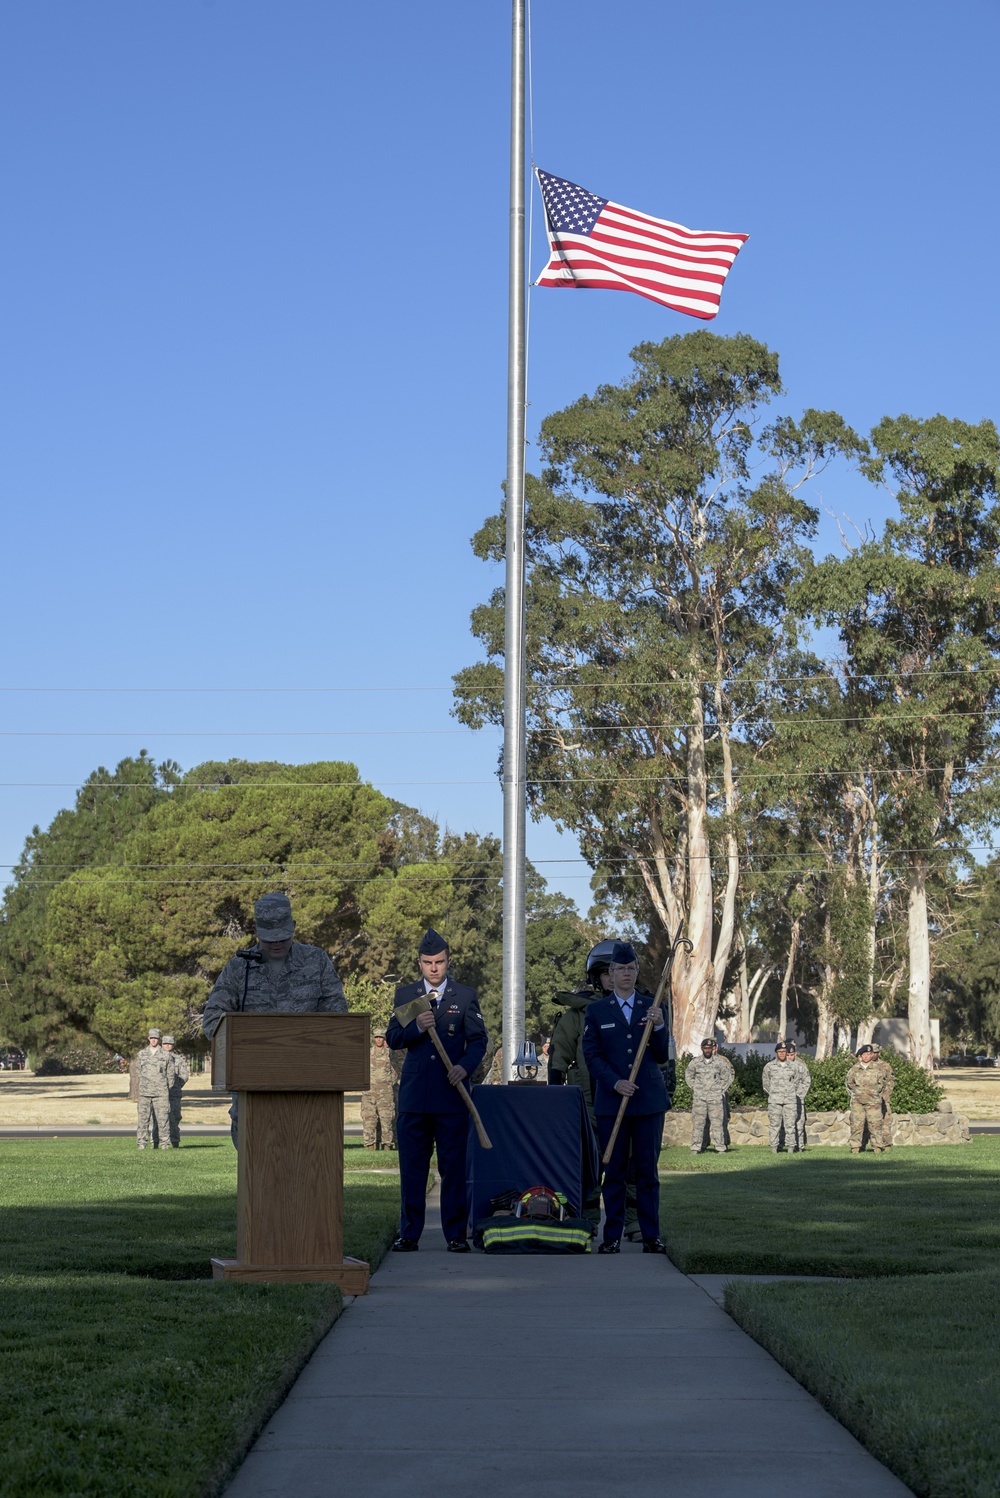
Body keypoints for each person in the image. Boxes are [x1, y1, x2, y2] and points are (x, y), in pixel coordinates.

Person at [200, 892, 347, 1146]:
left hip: (308, 1096)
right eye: (269, 939)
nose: (277, 944)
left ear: (294, 927)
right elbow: (212, 1021)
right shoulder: (240, 968)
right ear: (256, 930)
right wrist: (251, 1045)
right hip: (253, 1096)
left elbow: (338, 1019)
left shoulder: (316, 962)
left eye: (283, 937)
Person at [386, 928, 487, 1252]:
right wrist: (416, 1027)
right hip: (415, 1096)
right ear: (419, 962)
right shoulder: (407, 997)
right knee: (412, 1170)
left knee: (453, 1169)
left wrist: (465, 1067)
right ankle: (410, 1233)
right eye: (428, 962)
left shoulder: (464, 996)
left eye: (439, 962)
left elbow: (479, 1040)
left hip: (451, 1095)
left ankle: (456, 1235)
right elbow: (393, 1038)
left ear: (448, 962)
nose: (434, 968)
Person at [582, 941, 670, 1255]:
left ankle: (651, 1236)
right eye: (620, 969)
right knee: (615, 1172)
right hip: (613, 1101)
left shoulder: (654, 1006)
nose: (626, 975)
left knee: (647, 1172)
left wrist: (659, 1026)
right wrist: (615, 1082)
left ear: (636, 971)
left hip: (648, 1102)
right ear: (611, 973)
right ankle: (612, 1237)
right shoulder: (596, 1011)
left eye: (631, 969)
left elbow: (661, 1056)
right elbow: (591, 1057)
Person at [685, 1038, 734, 1155]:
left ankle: (720, 1147)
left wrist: (719, 1090)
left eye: (710, 1048)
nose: (707, 1050)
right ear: (702, 1049)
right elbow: (689, 1076)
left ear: (713, 1049)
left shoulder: (720, 1062)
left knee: (717, 1123)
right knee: (698, 1123)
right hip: (699, 1099)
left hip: (715, 1098)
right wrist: (696, 1088)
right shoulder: (695, 1062)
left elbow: (726, 1078)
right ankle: (696, 1147)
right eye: (705, 1048)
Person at [846, 1043, 892, 1154]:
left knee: (875, 1125)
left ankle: (877, 1147)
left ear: (871, 1055)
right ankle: (855, 1147)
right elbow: (849, 1083)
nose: (866, 1056)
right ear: (860, 1056)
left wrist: (874, 1093)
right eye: (864, 1054)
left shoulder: (878, 1068)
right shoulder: (854, 1069)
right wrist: (858, 1092)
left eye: (868, 1054)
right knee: (857, 1125)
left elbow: (883, 1083)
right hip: (858, 1102)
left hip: (874, 1102)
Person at [136, 1028, 174, 1151]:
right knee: (143, 1120)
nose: (153, 1040)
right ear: (148, 1039)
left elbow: (171, 1075)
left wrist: (164, 1087)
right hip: (144, 1093)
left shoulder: (165, 1055)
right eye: (151, 1038)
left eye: (156, 1038)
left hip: (161, 1093)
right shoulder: (141, 1054)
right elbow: (138, 1072)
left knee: (163, 1120)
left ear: (159, 1039)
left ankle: (164, 1144)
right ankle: (141, 1143)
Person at [361, 1029, 399, 1150]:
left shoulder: (389, 1054)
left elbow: (395, 1071)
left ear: (384, 1039)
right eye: (377, 1037)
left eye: (381, 1037)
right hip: (369, 1092)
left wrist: (387, 1084)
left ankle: (387, 1144)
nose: (378, 1039)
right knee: (369, 1118)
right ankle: (370, 1145)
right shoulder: (367, 1053)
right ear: (373, 1038)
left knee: (386, 1118)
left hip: (385, 1092)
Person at [762, 1041, 800, 1153]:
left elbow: (797, 1081)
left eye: (784, 1051)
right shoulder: (769, 1067)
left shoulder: (794, 1066)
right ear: (776, 1053)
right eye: (780, 1052)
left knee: (790, 1125)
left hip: (790, 1100)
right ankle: (774, 1147)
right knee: (774, 1125)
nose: (782, 1054)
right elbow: (766, 1083)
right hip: (774, 1101)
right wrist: (774, 1093)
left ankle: (790, 1148)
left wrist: (790, 1092)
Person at [160, 1036, 189, 1148]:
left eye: (169, 1044)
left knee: (175, 1117)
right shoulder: (157, 1058)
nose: (167, 1046)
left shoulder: (178, 1059)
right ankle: (157, 1142)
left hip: (174, 1094)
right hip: (159, 1094)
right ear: (161, 1044)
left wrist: (176, 1085)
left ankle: (175, 1142)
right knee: (159, 1119)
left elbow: (184, 1075)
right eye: (165, 1044)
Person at [783, 1041, 812, 1150]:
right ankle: (785, 1144)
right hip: (784, 1098)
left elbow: (806, 1081)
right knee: (785, 1123)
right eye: (788, 1055)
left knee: (799, 1122)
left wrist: (801, 1094)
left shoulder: (801, 1066)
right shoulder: (780, 1065)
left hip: (798, 1098)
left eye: (792, 1055)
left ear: (795, 1054)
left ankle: (800, 1146)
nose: (790, 1057)